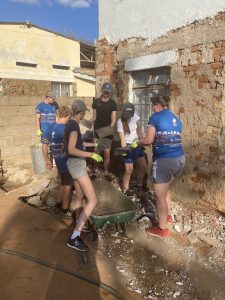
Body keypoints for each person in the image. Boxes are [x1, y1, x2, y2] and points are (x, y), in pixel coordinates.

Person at [137, 94, 185, 238]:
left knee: (159, 196)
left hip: (164, 160)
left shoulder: (155, 117)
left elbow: (149, 140)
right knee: (165, 189)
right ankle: (168, 216)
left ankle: (162, 229)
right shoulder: (176, 118)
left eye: (153, 105)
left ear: (158, 104)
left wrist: (138, 142)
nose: (152, 107)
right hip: (180, 159)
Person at [64, 99, 103, 252]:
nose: (84, 115)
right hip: (77, 165)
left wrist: (93, 145)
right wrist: (91, 155)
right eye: (84, 113)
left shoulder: (70, 124)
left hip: (74, 164)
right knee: (93, 200)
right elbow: (72, 149)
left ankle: (78, 223)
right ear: (81, 113)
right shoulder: (74, 126)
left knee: (80, 198)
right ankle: (74, 236)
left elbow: (77, 144)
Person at [42, 106, 74, 218]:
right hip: (66, 162)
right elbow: (71, 147)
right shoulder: (66, 129)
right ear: (65, 116)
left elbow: (44, 145)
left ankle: (58, 204)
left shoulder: (50, 127)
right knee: (68, 185)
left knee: (62, 181)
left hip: (57, 159)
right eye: (69, 118)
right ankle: (64, 210)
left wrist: (47, 160)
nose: (69, 120)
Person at [117, 103, 147, 196]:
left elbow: (138, 131)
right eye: (126, 115)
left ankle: (139, 186)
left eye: (129, 115)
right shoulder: (119, 122)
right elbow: (122, 138)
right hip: (128, 146)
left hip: (137, 145)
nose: (128, 117)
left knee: (143, 166)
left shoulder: (135, 117)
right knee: (129, 170)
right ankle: (126, 189)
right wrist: (124, 150)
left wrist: (141, 141)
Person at [90, 82, 117, 173]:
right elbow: (94, 117)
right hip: (97, 131)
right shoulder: (96, 102)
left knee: (106, 153)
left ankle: (106, 171)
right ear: (102, 91)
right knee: (96, 151)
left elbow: (113, 120)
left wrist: (108, 130)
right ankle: (96, 169)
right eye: (105, 91)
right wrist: (87, 122)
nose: (106, 93)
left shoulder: (113, 103)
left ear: (110, 92)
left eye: (108, 91)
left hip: (107, 132)